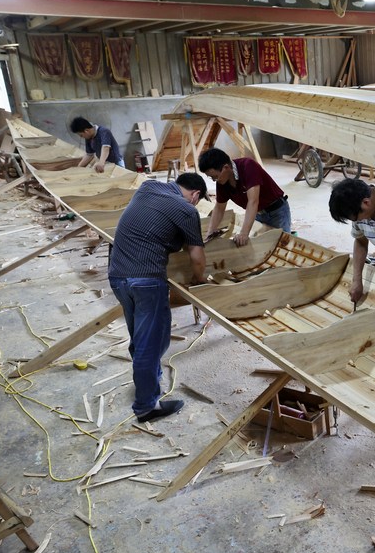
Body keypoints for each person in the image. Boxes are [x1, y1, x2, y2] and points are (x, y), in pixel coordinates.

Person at [108, 173, 209, 422]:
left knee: (139, 336)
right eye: (197, 201)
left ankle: (149, 380)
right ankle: (146, 406)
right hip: (147, 281)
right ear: (195, 195)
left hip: (117, 275)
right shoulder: (187, 210)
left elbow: (153, 224)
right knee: (151, 343)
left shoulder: (147, 187)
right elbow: (196, 257)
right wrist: (200, 280)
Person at [197, 148, 291, 246]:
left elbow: (253, 201)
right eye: (211, 177)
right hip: (257, 213)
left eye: (215, 176)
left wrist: (244, 233)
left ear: (226, 168)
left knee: (283, 245)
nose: (214, 180)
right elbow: (219, 208)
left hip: (277, 211)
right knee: (261, 246)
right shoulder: (222, 181)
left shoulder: (248, 166)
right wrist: (210, 233)